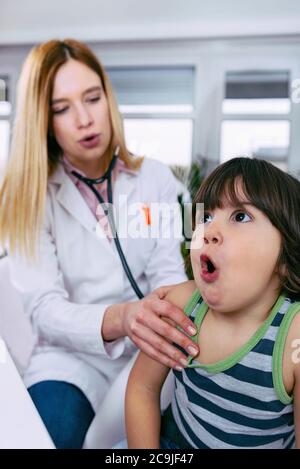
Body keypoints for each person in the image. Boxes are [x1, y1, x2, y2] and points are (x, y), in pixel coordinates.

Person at [0, 39, 200, 449]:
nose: (84, 119)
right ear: (42, 119)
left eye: (92, 98)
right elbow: (44, 308)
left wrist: (150, 321)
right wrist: (123, 318)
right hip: (69, 359)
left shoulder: (155, 180)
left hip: (149, 351)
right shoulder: (29, 196)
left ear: (109, 99)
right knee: (47, 433)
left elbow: (167, 274)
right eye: (61, 108)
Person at [125, 157, 300, 449]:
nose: (208, 231)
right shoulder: (181, 305)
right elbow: (142, 388)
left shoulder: (292, 337)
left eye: (240, 216)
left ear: (285, 258)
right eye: (205, 217)